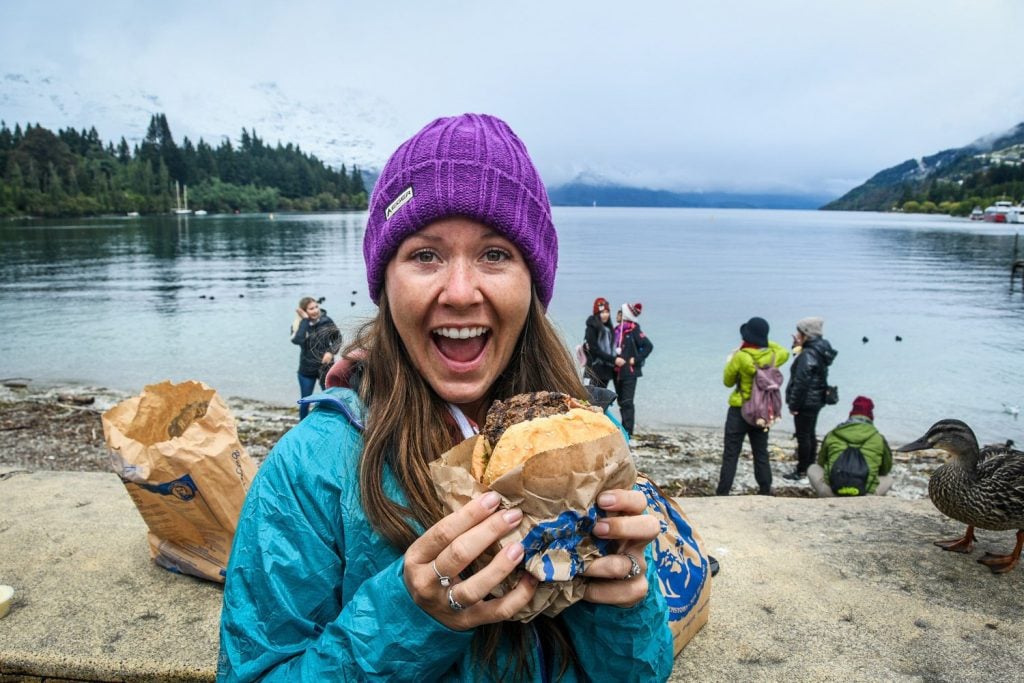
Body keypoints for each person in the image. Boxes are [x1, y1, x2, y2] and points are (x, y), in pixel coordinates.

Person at [218, 113, 673, 682]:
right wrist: (407, 618)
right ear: (385, 283)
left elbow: (637, 674)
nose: (460, 293)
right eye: (425, 255)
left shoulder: (593, 445)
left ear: (534, 283)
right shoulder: (309, 471)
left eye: (495, 254)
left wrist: (625, 605)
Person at [715, 316, 790, 496]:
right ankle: (765, 489)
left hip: (739, 410)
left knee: (731, 454)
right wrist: (764, 341)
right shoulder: (773, 356)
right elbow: (784, 351)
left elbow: (727, 381)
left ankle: (723, 492)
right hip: (762, 412)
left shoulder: (741, 357)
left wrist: (740, 351)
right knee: (761, 453)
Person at [782, 317, 838, 481]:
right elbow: (805, 366)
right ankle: (810, 467)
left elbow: (801, 382)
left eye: (799, 332)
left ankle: (802, 471)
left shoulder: (808, 354)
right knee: (809, 434)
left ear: (806, 333)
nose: (797, 335)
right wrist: (796, 349)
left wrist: (793, 405)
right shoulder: (820, 349)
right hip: (817, 398)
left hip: (806, 400)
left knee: (803, 436)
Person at [809, 396, 894, 496]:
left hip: (832, 492)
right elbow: (886, 469)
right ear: (870, 415)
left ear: (851, 414)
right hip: (864, 495)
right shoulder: (878, 438)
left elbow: (821, 462)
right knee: (889, 478)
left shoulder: (834, 434)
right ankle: (871, 499)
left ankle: (825, 496)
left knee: (813, 468)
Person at [290, 296, 341, 419]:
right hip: (306, 370)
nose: (315, 310)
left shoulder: (327, 321)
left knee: (329, 399)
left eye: (316, 307)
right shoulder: (299, 325)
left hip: (326, 367)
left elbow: (338, 339)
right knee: (305, 402)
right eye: (311, 309)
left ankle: (328, 422)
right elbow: (298, 340)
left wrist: (330, 352)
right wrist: (305, 321)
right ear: (304, 311)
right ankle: (302, 425)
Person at [612, 302, 653, 440]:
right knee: (621, 401)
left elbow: (648, 346)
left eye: (620, 313)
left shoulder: (634, 329)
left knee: (627, 402)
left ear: (625, 315)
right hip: (617, 371)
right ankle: (624, 429)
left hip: (629, 372)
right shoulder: (617, 330)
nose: (617, 315)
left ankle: (628, 432)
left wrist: (635, 359)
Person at [583, 297, 616, 388]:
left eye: (607, 312)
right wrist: (614, 360)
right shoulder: (592, 327)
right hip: (593, 369)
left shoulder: (609, 329)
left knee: (601, 400)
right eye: (602, 312)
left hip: (606, 370)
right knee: (589, 398)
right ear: (597, 314)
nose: (605, 315)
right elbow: (594, 349)